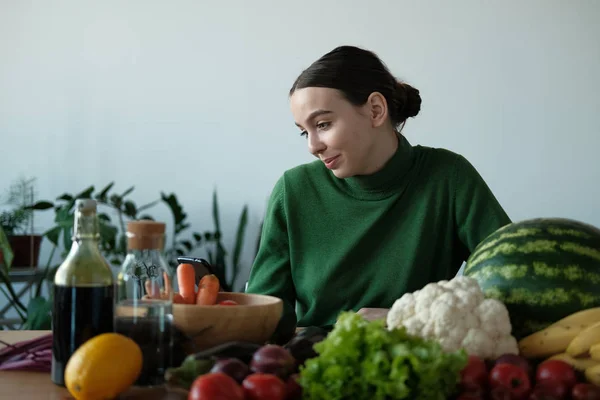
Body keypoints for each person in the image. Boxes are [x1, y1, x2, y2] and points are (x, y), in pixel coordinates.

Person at [245, 45, 511, 343]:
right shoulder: (294, 190)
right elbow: (262, 315)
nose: (313, 146)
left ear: (375, 110)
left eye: (323, 124)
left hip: (418, 363)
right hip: (315, 366)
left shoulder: (448, 177)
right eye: (304, 132)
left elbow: (511, 283)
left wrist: (401, 319)